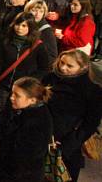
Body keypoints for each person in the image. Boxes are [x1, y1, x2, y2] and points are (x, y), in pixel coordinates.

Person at [0, 12, 50, 138]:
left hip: (23, 90)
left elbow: (44, 68)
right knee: (1, 115)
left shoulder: (38, 46)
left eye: (24, 26)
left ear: (30, 28)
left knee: (16, 117)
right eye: (18, 24)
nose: (19, 28)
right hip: (4, 86)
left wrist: (30, 81)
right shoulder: (5, 41)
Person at [43, 50, 102, 181]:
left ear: (83, 67)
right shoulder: (50, 78)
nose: (63, 68)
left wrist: (69, 144)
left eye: (70, 66)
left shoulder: (92, 91)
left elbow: (90, 124)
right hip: (41, 137)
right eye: (62, 62)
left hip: (65, 145)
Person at [0, 77, 52, 182]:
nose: (11, 98)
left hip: (17, 174)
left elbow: (25, 156)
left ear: (32, 100)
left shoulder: (37, 122)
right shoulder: (24, 111)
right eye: (12, 93)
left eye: (17, 95)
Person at [24, 0, 58, 64]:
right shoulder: (25, 23)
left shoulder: (47, 31)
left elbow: (52, 57)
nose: (37, 14)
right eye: (34, 10)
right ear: (27, 11)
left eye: (41, 11)